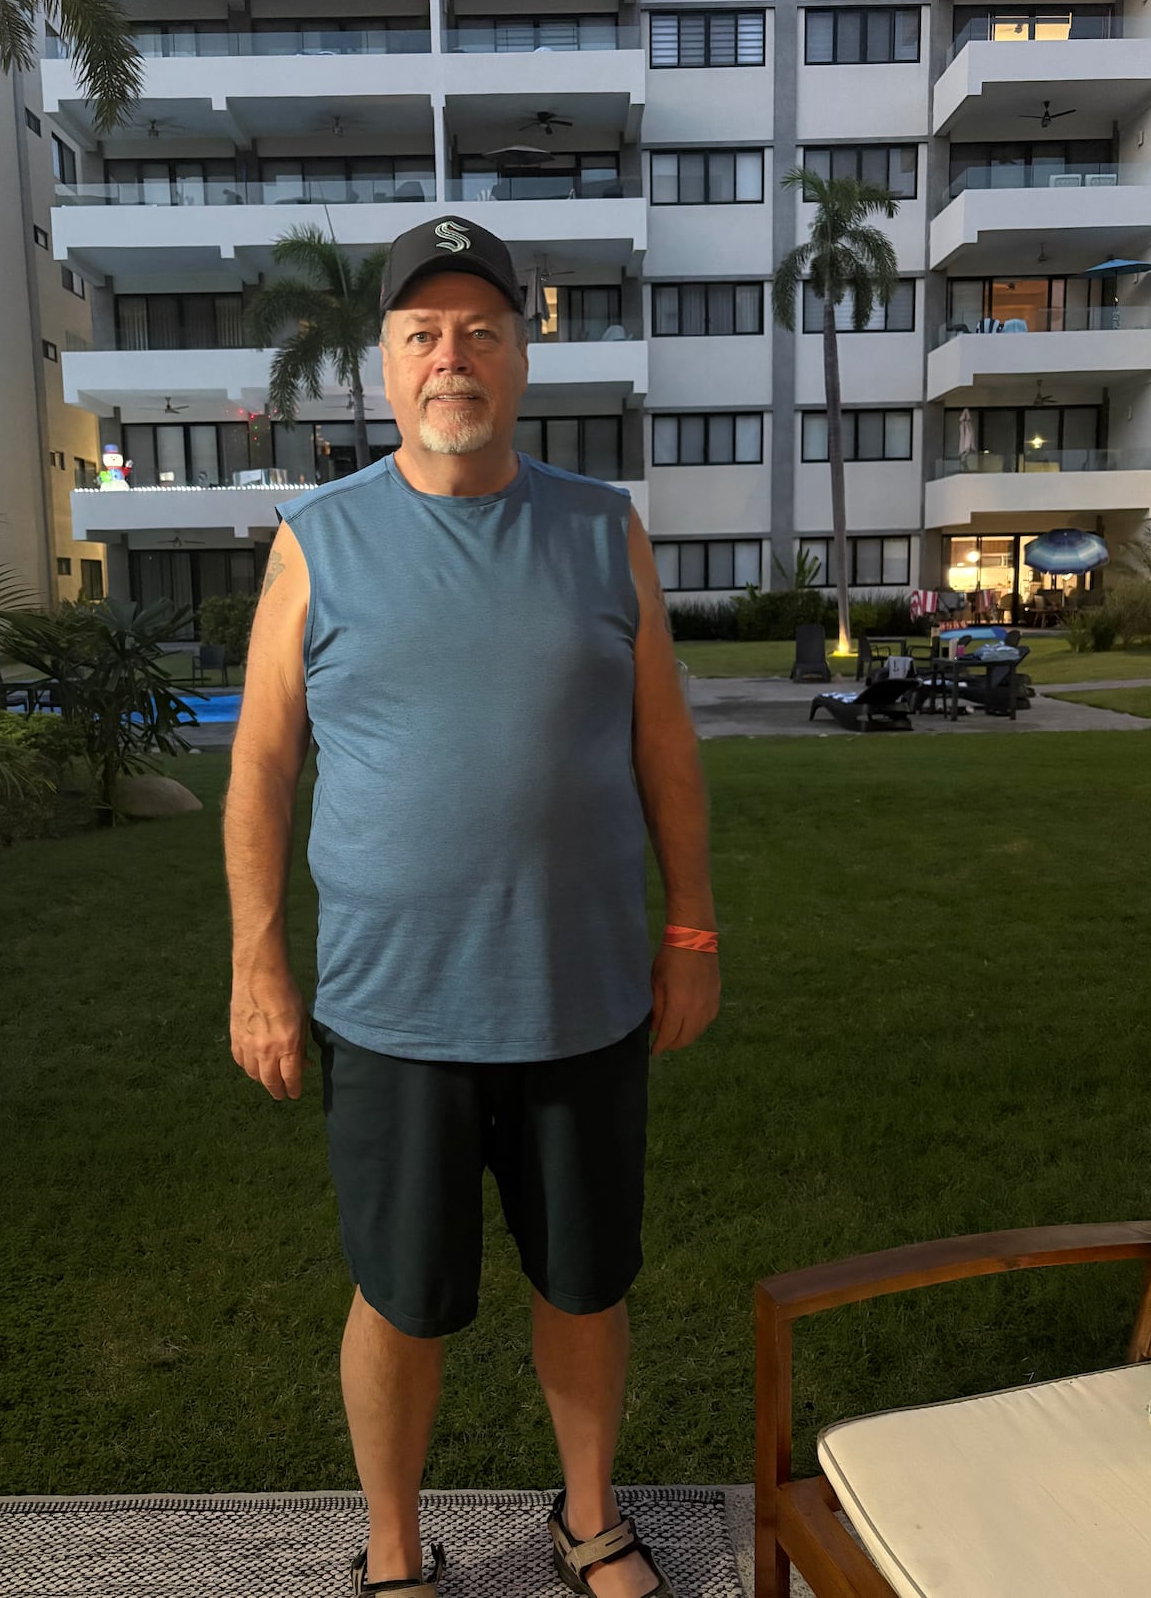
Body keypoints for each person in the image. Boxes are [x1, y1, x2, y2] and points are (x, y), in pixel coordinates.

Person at [225, 216, 721, 1598]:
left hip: (583, 995)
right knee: (402, 1294)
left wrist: (691, 925)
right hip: (394, 1013)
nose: (455, 358)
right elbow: (262, 766)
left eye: (482, 332)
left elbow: (664, 740)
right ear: (385, 364)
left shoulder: (600, 531)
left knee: (586, 1283)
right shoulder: (317, 541)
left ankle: (587, 1519)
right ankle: (393, 1547)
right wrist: (258, 965)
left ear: (521, 354)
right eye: (424, 334)